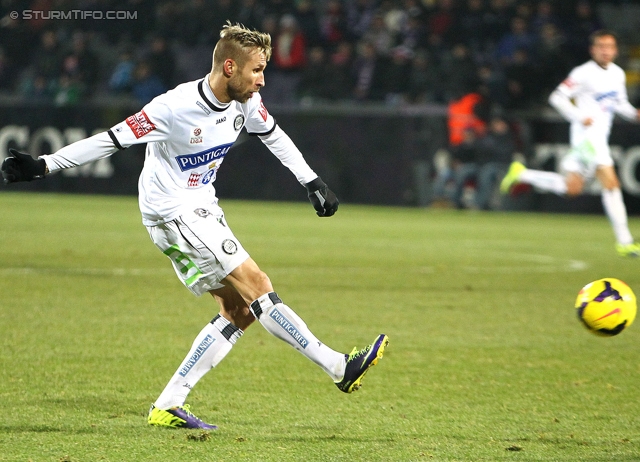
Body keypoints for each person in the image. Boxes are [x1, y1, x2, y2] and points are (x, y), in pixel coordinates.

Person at [1, 22, 389, 429]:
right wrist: (45, 165)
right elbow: (111, 139)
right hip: (172, 211)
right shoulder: (173, 107)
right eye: (256, 70)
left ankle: (168, 404)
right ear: (228, 68)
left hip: (201, 205)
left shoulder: (245, 102)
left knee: (239, 309)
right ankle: (338, 367)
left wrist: (310, 180)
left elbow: (274, 136)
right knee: (257, 285)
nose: (262, 80)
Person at [500, 30, 640, 257]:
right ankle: (624, 242)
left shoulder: (618, 74)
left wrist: (634, 114)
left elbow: (619, 104)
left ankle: (522, 174)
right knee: (611, 184)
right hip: (587, 137)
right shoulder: (583, 73)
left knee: (571, 189)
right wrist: (578, 116)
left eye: (610, 46)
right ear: (593, 49)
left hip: (595, 139)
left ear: (615, 50)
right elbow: (557, 97)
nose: (605, 50)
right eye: (601, 46)